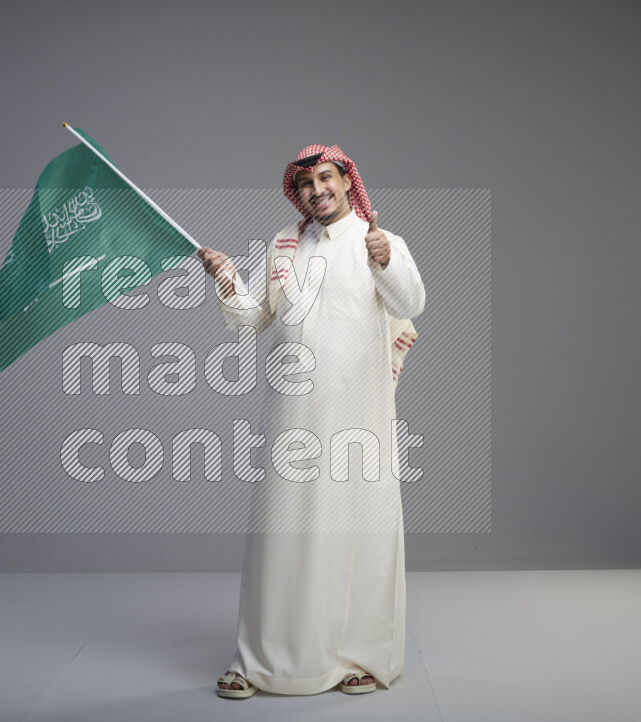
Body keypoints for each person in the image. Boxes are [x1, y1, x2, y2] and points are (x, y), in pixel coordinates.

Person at [198, 144, 425, 698]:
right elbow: (253, 316)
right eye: (305, 184)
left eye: (326, 178)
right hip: (292, 417)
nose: (316, 190)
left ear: (348, 183)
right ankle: (258, 662)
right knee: (284, 534)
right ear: (296, 193)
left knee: (357, 532)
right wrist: (226, 276)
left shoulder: (381, 241)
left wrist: (384, 261)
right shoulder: (283, 246)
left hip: (358, 418)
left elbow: (412, 303)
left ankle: (359, 659)